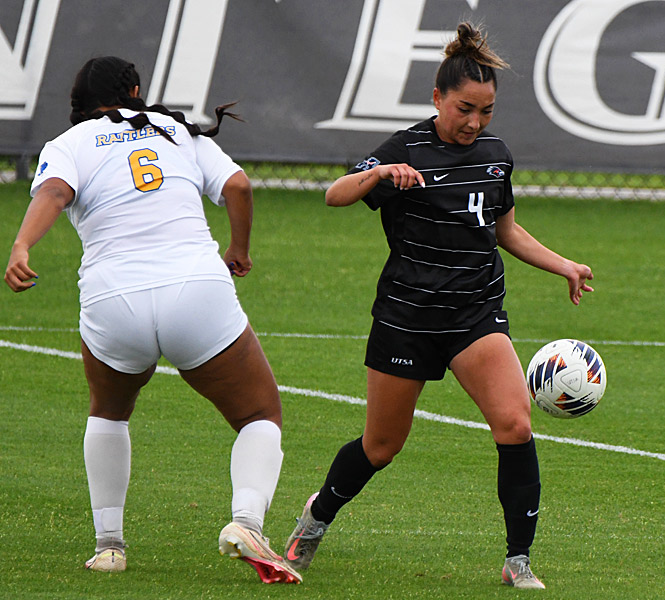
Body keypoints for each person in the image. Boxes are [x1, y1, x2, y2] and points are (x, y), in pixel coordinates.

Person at [283, 22, 594, 590]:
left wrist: (564, 265)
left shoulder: (496, 156)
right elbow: (334, 194)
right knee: (381, 447)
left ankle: (518, 560)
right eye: (464, 109)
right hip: (407, 319)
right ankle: (317, 516)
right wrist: (379, 173)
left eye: (486, 111)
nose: (474, 122)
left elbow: (505, 230)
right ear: (437, 98)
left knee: (515, 425)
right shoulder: (405, 148)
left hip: (475, 313)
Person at [4, 56, 301, 584]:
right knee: (259, 414)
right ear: (136, 90)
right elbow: (238, 186)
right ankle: (246, 522)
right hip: (196, 289)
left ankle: (109, 546)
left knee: (109, 413)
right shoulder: (175, 130)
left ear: (79, 102)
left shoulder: (68, 144)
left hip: (114, 297)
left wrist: (22, 245)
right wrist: (238, 248)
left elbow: (53, 193)